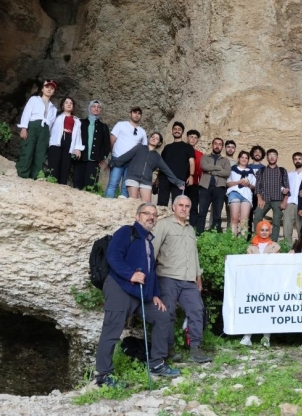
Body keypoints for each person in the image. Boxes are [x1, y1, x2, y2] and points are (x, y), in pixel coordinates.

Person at [95, 203, 179, 387]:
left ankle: (157, 363)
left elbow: (150, 272)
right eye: (146, 213)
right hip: (120, 288)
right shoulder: (127, 232)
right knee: (112, 329)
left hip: (140, 293)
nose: (151, 217)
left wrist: (155, 294)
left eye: (154, 215)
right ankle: (103, 376)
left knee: (163, 316)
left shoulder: (148, 241)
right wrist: (130, 274)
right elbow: (113, 256)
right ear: (137, 216)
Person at [151, 195, 212, 363]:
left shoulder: (190, 229)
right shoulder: (163, 225)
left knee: (197, 310)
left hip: (188, 280)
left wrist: (198, 276)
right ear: (174, 207)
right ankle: (168, 350)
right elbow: (152, 251)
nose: (184, 209)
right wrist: (150, 277)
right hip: (167, 277)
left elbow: (194, 255)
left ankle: (195, 349)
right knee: (167, 313)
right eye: (181, 205)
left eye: (187, 206)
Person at [240, 220, 280, 347]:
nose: (264, 232)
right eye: (262, 230)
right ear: (258, 230)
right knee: (252, 308)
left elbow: (278, 265)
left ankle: (266, 337)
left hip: (269, 282)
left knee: (267, 309)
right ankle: (247, 336)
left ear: (270, 231)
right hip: (254, 282)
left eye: (266, 230)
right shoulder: (251, 247)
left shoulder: (275, 246)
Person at [111, 133, 184, 202]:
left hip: (146, 181)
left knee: (146, 204)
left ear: (159, 143)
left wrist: (178, 182)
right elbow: (126, 156)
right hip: (132, 178)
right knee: (133, 201)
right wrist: (112, 163)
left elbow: (167, 170)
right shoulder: (139, 147)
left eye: (156, 138)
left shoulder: (157, 157)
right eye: (152, 137)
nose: (153, 139)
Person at [16, 79, 57, 179]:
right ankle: (23, 173)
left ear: (54, 92)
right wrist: (24, 128)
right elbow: (26, 113)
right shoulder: (34, 99)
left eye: (52, 88)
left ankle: (35, 175)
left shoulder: (54, 108)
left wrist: (49, 137)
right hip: (33, 126)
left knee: (40, 152)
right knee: (28, 148)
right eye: (47, 87)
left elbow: (51, 125)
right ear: (42, 89)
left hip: (45, 131)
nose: (49, 89)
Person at [105, 107, 148, 198]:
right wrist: (114, 154)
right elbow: (112, 140)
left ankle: (122, 210)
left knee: (126, 188)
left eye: (139, 113)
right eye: (134, 112)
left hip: (132, 163)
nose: (136, 115)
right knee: (113, 184)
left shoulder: (142, 132)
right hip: (118, 159)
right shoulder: (121, 125)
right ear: (130, 113)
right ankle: (107, 206)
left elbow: (143, 149)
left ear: (141, 116)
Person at [254, 149, 290, 241]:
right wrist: (259, 199)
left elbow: (287, 187)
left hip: (278, 200)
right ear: (267, 158)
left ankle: (273, 242)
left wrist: (285, 201)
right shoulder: (261, 171)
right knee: (257, 216)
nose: (272, 157)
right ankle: (258, 240)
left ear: (277, 157)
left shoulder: (282, 171)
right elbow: (258, 186)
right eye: (270, 155)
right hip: (264, 199)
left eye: (274, 155)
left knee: (276, 221)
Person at [73, 100, 110, 190]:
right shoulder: (81, 122)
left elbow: (106, 144)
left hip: (94, 160)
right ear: (89, 108)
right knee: (77, 184)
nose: (96, 109)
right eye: (94, 106)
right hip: (80, 158)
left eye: (98, 107)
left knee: (91, 185)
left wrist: (103, 157)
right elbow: (74, 137)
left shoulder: (103, 127)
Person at [197, 138, 231, 234]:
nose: (217, 146)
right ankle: (199, 234)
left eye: (220, 144)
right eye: (215, 144)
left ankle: (215, 235)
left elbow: (227, 173)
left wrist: (211, 171)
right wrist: (218, 168)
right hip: (205, 188)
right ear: (212, 145)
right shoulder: (205, 157)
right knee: (202, 213)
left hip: (219, 189)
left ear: (222, 147)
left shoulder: (225, 160)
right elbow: (204, 166)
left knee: (217, 214)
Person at [157, 122, 195, 207]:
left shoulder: (188, 147)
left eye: (179, 129)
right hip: (164, 179)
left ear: (182, 132)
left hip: (179, 179)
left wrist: (191, 175)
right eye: (175, 129)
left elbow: (192, 162)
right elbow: (161, 164)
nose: (177, 131)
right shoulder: (167, 147)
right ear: (172, 131)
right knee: (161, 205)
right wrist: (157, 179)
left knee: (178, 204)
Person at [47, 96, 83, 185]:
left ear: (73, 107)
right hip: (56, 142)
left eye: (71, 103)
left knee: (65, 166)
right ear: (62, 106)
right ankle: (51, 184)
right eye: (66, 102)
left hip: (69, 142)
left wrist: (77, 148)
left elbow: (78, 135)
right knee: (54, 165)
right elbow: (49, 128)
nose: (69, 104)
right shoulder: (56, 116)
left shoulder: (77, 120)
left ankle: (61, 186)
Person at [226, 150, 257, 235]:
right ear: (239, 158)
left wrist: (248, 184)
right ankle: (233, 241)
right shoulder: (232, 169)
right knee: (234, 219)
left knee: (244, 221)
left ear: (248, 160)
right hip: (235, 192)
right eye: (242, 157)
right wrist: (238, 182)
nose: (244, 159)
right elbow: (228, 183)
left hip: (246, 195)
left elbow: (254, 186)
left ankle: (242, 244)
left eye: (246, 158)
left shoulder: (250, 171)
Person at [284, 152, 302, 242]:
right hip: (289, 203)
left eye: (299, 159)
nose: (297, 161)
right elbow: (285, 188)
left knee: (301, 229)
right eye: (295, 159)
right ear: (293, 161)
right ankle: (287, 249)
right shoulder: (289, 175)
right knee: (287, 228)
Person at [247, 145, 267, 235]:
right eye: (255, 152)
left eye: (259, 152)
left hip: (260, 196)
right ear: (252, 154)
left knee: (258, 216)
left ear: (262, 155)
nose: (257, 154)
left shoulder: (265, 168)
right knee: (248, 216)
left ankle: (258, 237)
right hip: (248, 194)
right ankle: (247, 237)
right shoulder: (247, 167)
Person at [185, 130, 203, 227]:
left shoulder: (200, 154)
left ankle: (193, 229)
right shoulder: (181, 150)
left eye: (195, 138)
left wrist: (201, 186)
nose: (193, 139)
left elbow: (200, 170)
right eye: (191, 137)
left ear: (197, 140)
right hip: (181, 182)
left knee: (194, 207)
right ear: (187, 138)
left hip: (195, 184)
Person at [224, 139, 238, 227]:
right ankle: (212, 229)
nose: (230, 149)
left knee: (231, 210)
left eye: (232, 147)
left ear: (235, 149)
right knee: (216, 210)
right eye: (228, 147)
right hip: (220, 187)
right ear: (225, 148)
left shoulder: (237, 163)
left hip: (231, 189)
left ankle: (230, 231)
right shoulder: (221, 160)